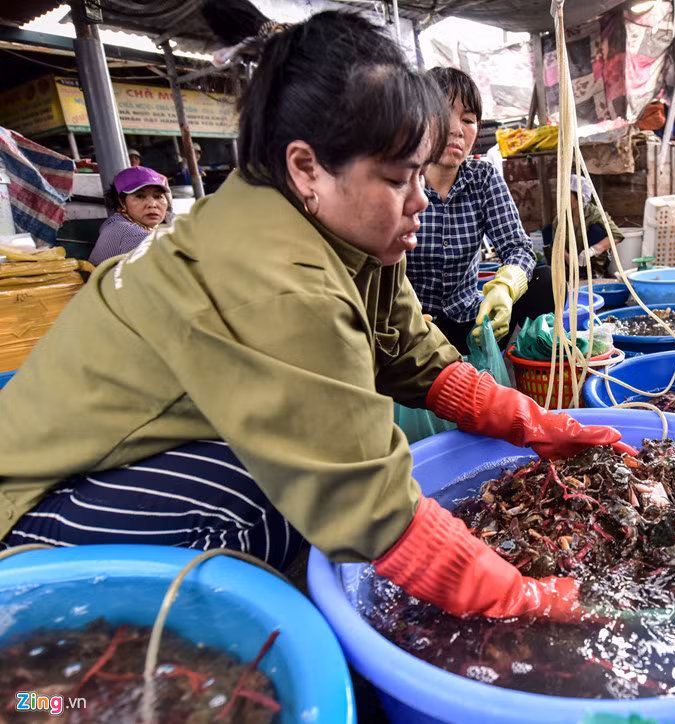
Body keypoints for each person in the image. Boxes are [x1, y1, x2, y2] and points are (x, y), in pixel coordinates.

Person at [0, 1, 632, 622]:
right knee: (272, 508)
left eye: (420, 174)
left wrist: (531, 422)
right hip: (37, 507)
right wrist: (527, 598)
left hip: (135, 461)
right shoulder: (276, 277)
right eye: (395, 179)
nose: (420, 201)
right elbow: (366, 504)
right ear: (306, 168)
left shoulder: (340, 229)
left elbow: (404, 349)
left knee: (297, 492)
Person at [405, 67, 553, 355]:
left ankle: (535, 371)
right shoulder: (402, 178)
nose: (457, 129)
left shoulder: (482, 177)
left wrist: (505, 289)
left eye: (468, 119)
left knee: (544, 280)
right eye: (442, 114)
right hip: (412, 329)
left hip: (470, 323)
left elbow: (518, 248)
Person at [545, 175, 625, 279]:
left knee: (597, 229)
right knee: (547, 231)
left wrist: (593, 250)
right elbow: (557, 242)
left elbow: (617, 235)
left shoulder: (595, 213)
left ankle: (594, 272)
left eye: (567, 194)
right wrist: (567, 257)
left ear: (579, 196)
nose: (562, 198)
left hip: (593, 263)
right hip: (571, 264)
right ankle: (567, 274)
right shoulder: (561, 218)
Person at [88, 166, 171, 266]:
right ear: (122, 202)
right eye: (140, 196)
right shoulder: (124, 230)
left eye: (158, 196)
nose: (152, 204)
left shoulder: (123, 220)